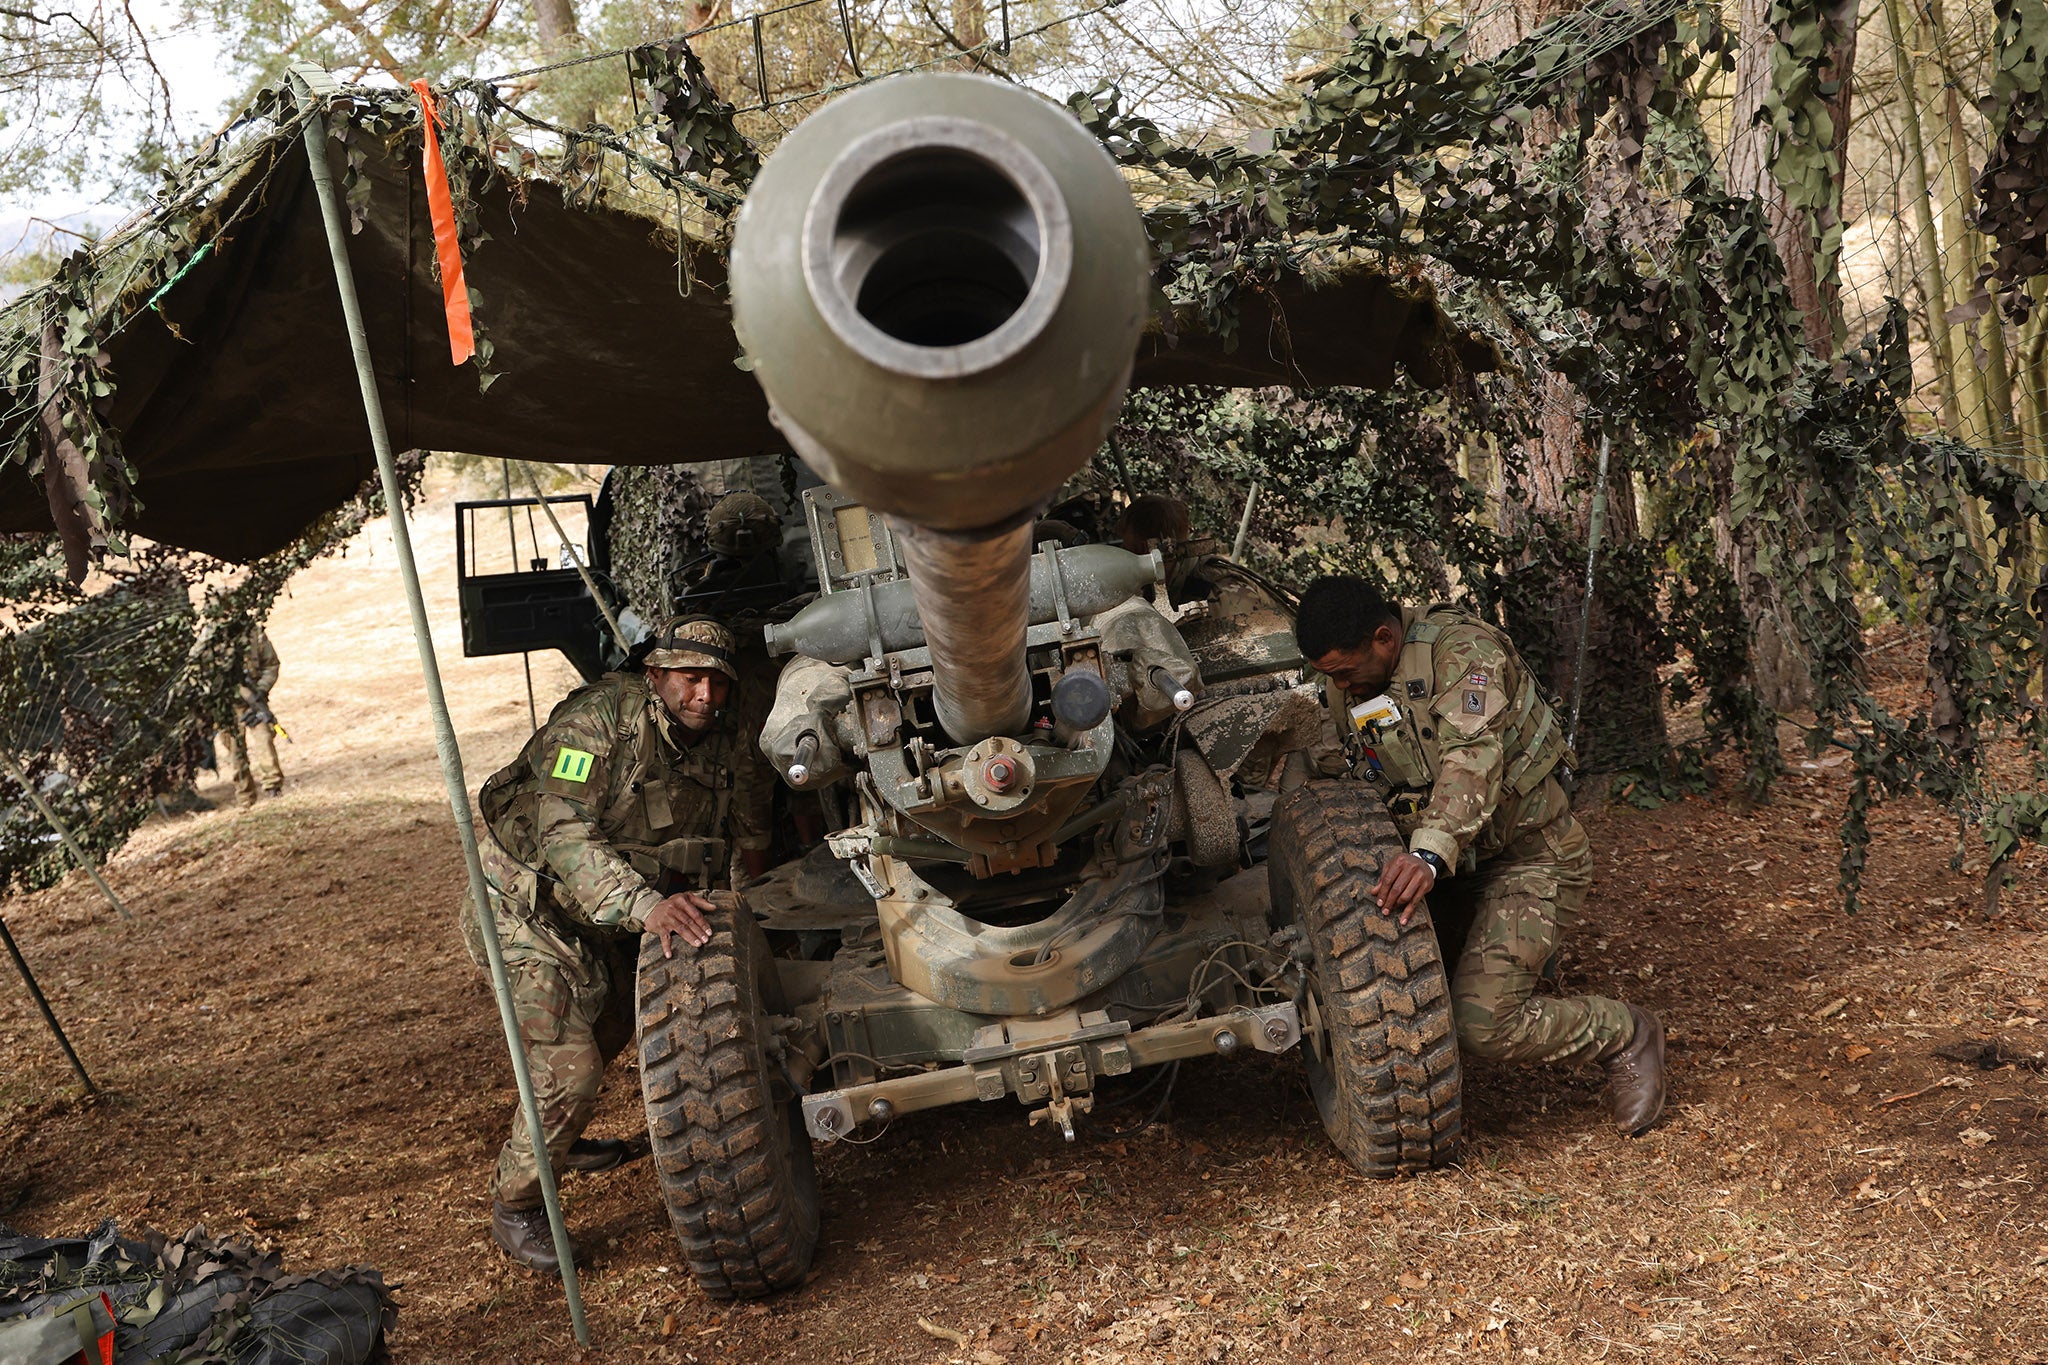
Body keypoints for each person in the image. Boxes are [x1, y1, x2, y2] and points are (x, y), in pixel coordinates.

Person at [1292, 575, 1666, 1136]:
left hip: (1531, 858)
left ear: (1384, 638)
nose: (1340, 686)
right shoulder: (1348, 682)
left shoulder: (1465, 653)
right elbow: (1347, 764)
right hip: (1450, 868)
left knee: (1482, 1022)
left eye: (1345, 671)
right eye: (1330, 677)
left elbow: (1474, 758)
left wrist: (1427, 855)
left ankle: (1625, 1031)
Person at [464, 615, 771, 1274]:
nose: (705, 696)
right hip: (529, 911)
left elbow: (749, 829)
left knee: (608, 1029)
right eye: (690, 678)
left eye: (717, 682)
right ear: (656, 676)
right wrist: (645, 905)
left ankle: (560, 1137)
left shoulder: (725, 736)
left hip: (609, 916)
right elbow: (563, 833)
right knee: (569, 1067)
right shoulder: (597, 725)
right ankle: (517, 1204)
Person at [221, 629, 284, 806]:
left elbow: (271, 666)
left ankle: (273, 789)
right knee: (235, 750)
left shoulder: (256, 635)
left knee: (264, 739)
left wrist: (260, 691)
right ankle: (245, 799)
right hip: (227, 706)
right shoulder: (211, 638)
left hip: (254, 701)